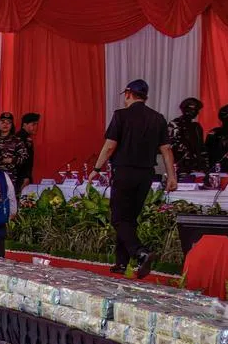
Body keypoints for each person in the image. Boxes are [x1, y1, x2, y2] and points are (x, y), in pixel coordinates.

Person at [88, 79, 176, 278]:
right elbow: (166, 150)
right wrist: (172, 176)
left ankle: (140, 252)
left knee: (119, 218)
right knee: (129, 219)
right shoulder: (158, 119)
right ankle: (122, 263)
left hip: (124, 171)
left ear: (128, 94)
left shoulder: (121, 115)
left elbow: (110, 146)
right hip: (146, 174)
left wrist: (97, 168)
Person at [0, 112, 30, 192]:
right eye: (3, 122)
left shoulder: (17, 141)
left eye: (9, 122)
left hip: (11, 178)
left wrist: (12, 160)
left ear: (12, 125)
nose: (5, 124)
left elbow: (25, 158)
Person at [168, 97, 208, 178]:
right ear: (188, 110)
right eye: (195, 110)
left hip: (197, 167)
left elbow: (201, 147)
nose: (197, 113)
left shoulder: (196, 127)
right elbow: (169, 146)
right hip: (180, 166)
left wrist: (205, 165)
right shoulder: (175, 124)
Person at [16, 113, 40, 189]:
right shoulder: (21, 138)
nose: (36, 127)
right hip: (20, 178)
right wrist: (26, 177)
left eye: (37, 124)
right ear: (24, 125)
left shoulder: (25, 137)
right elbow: (23, 161)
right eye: (33, 124)